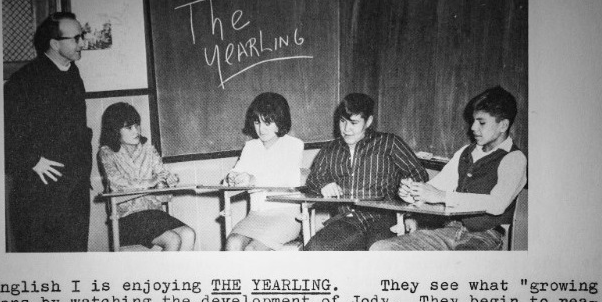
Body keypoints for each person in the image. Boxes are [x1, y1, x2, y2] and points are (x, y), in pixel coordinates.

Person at [370, 86, 527, 251]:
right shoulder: (465, 152)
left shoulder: (514, 158)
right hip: (449, 230)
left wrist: (441, 196)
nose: (473, 127)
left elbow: (497, 204)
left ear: (503, 125)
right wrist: (412, 193)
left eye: (481, 122)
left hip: (485, 235)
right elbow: (436, 188)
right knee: (382, 248)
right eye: (473, 121)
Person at [4, 12, 94, 252]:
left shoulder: (72, 73)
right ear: (55, 44)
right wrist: (31, 161)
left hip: (74, 193)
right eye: (76, 38)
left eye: (82, 36)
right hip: (39, 197)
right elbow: (3, 133)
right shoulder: (24, 81)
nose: (82, 43)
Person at [304, 93, 428, 251]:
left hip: (384, 219)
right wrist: (323, 184)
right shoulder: (330, 149)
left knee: (378, 254)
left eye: (353, 123)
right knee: (314, 249)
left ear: (368, 121)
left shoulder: (389, 143)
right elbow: (312, 180)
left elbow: (419, 175)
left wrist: (408, 199)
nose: (346, 129)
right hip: (346, 220)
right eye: (342, 121)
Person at [98, 103, 196, 251]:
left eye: (137, 125)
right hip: (126, 218)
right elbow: (116, 183)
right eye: (129, 127)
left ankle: (178, 274)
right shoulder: (106, 152)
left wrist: (169, 179)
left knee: (189, 234)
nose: (136, 130)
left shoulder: (149, 150)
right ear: (114, 130)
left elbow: (162, 173)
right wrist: (149, 182)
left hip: (153, 213)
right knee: (173, 239)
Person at [225, 93, 304, 251]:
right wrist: (232, 178)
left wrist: (253, 180)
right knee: (232, 243)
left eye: (267, 122)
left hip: (285, 216)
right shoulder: (251, 147)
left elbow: (286, 179)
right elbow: (233, 177)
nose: (261, 129)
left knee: (251, 251)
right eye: (257, 122)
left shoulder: (293, 145)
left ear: (280, 120)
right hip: (255, 216)